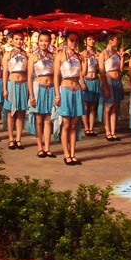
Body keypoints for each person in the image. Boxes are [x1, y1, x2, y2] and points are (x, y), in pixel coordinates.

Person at [54, 31, 87, 165]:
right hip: (65, 89)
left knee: (74, 124)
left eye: (76, 41)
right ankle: (66, 154)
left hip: (77, 90)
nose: (73, 43)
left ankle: (73, 154)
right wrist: (57, 94)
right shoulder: (60, 55)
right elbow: (56, 76)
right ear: (66, 41)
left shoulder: (79, 57)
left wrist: (85, 61)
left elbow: (83, 74)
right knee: (66, 123)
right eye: (71, 40)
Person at [27, 31, 56, 158]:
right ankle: (40, 147)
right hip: (38, 88)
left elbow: (57, 74)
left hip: (51, 88)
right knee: (39, 119)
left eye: (46, 41)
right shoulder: (33, 57)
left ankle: (47, 148)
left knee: (48, 119)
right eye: (41, 41)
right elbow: (29, 78)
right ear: (38, 42)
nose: (44, 43)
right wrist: (31, 95)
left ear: (50, 42)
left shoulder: (53, 56)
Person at [2, 30, 29, 149]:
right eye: (16, 39)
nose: (19, 41)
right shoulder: (7, 55)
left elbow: (29, 72)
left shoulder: (26, 55)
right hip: (11, 84)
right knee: (10, 114)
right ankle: (11, 139)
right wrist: (4, 88)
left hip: (22, 84)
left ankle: (18, 138)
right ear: (12, 40)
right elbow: (5, 73)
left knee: (20, 113)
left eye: (21, 39)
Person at [98, 33, 123, 141]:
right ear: (110, 41)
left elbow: (120, 69)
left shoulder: (116, 53)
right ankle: (107, 131)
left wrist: (122, 58)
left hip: (117, 80)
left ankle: (113, 131)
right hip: (108, 80)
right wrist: (105, 86)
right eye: (116, 39)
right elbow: (101, 72)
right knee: (108, 107)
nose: (117, 41)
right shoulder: (103, 54)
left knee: (114, 107)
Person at [80, 33, 100, 136]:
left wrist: (98, 60)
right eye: (89, 39)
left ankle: (91, 128)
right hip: (86, 79)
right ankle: (86, 127)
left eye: (93, 39)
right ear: (85, 41)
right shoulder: (82, 54)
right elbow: (80, 71)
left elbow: (99, 69)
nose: (91, 41)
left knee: (93, 106)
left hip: (95, 80)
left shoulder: (96, 53)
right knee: (85, 106)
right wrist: (82, 82)